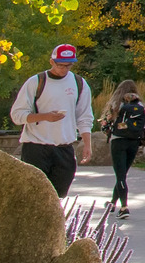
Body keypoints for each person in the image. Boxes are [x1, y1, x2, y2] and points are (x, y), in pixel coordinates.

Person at [9, 44, 96, 196]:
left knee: (58, 197)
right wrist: (45, 117)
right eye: (60, 65)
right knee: (34, 197)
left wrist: (87, 144)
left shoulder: (79, 83)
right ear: (51, 62)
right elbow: (17, 115)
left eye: (68, 66)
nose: (63, 69)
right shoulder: (36, 82)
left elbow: (84, 116)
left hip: (64, 148)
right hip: (36, 148)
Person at [103, 80, 145, 219]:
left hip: (118, 141)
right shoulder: (141, 105)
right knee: (122, 174)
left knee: (120, 175)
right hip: (134, 142)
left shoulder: (117, 104)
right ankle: (112, 203)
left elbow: (107, 124)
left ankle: (124, 207)